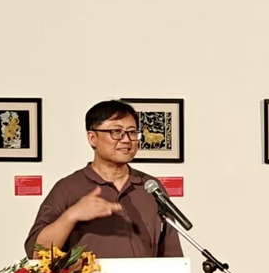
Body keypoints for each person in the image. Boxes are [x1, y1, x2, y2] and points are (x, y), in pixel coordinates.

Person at [24, 100, 183, 259]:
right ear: (92, 138)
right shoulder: (68, 188)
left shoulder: (150, 186)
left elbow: (172, 256)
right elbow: (36, 253)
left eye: (132, 132)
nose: (126, 139)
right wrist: (71, 215)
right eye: (116, 131)